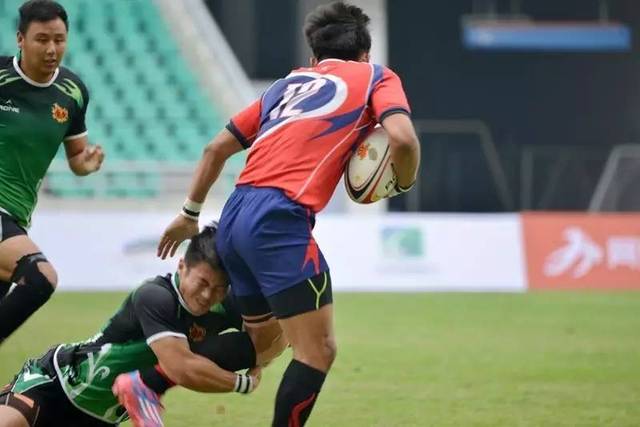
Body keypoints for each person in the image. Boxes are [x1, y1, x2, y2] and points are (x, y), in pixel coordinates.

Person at [157, 2, 421, 425]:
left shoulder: (286, 85)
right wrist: (403, 180)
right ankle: (158, 365)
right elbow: (403, 140)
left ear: (314, 59)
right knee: (318, 351)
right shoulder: (376, 76)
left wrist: (190, 213)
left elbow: (215, 149)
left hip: (235, 215)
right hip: (278, 220)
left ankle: (146, 376)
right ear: (365, 54)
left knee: (263, 346)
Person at [0, 225, 261, 427]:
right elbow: (180, 367)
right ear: (182, 266)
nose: (207, 295)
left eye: (219, 288)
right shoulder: (155, 296)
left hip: (102, 418)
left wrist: (260, 355)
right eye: (202, 283)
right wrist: (244, 383)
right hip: (55, 384)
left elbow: (269, 336)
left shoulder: (224, 304)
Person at [0, 0, 105, 345]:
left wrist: (87, 164)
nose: (51, 49)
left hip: (16, 217)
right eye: (42, 39)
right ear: (20, 39)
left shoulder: (73, 92)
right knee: (40, 278)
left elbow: (76, 157)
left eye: (59, 40)